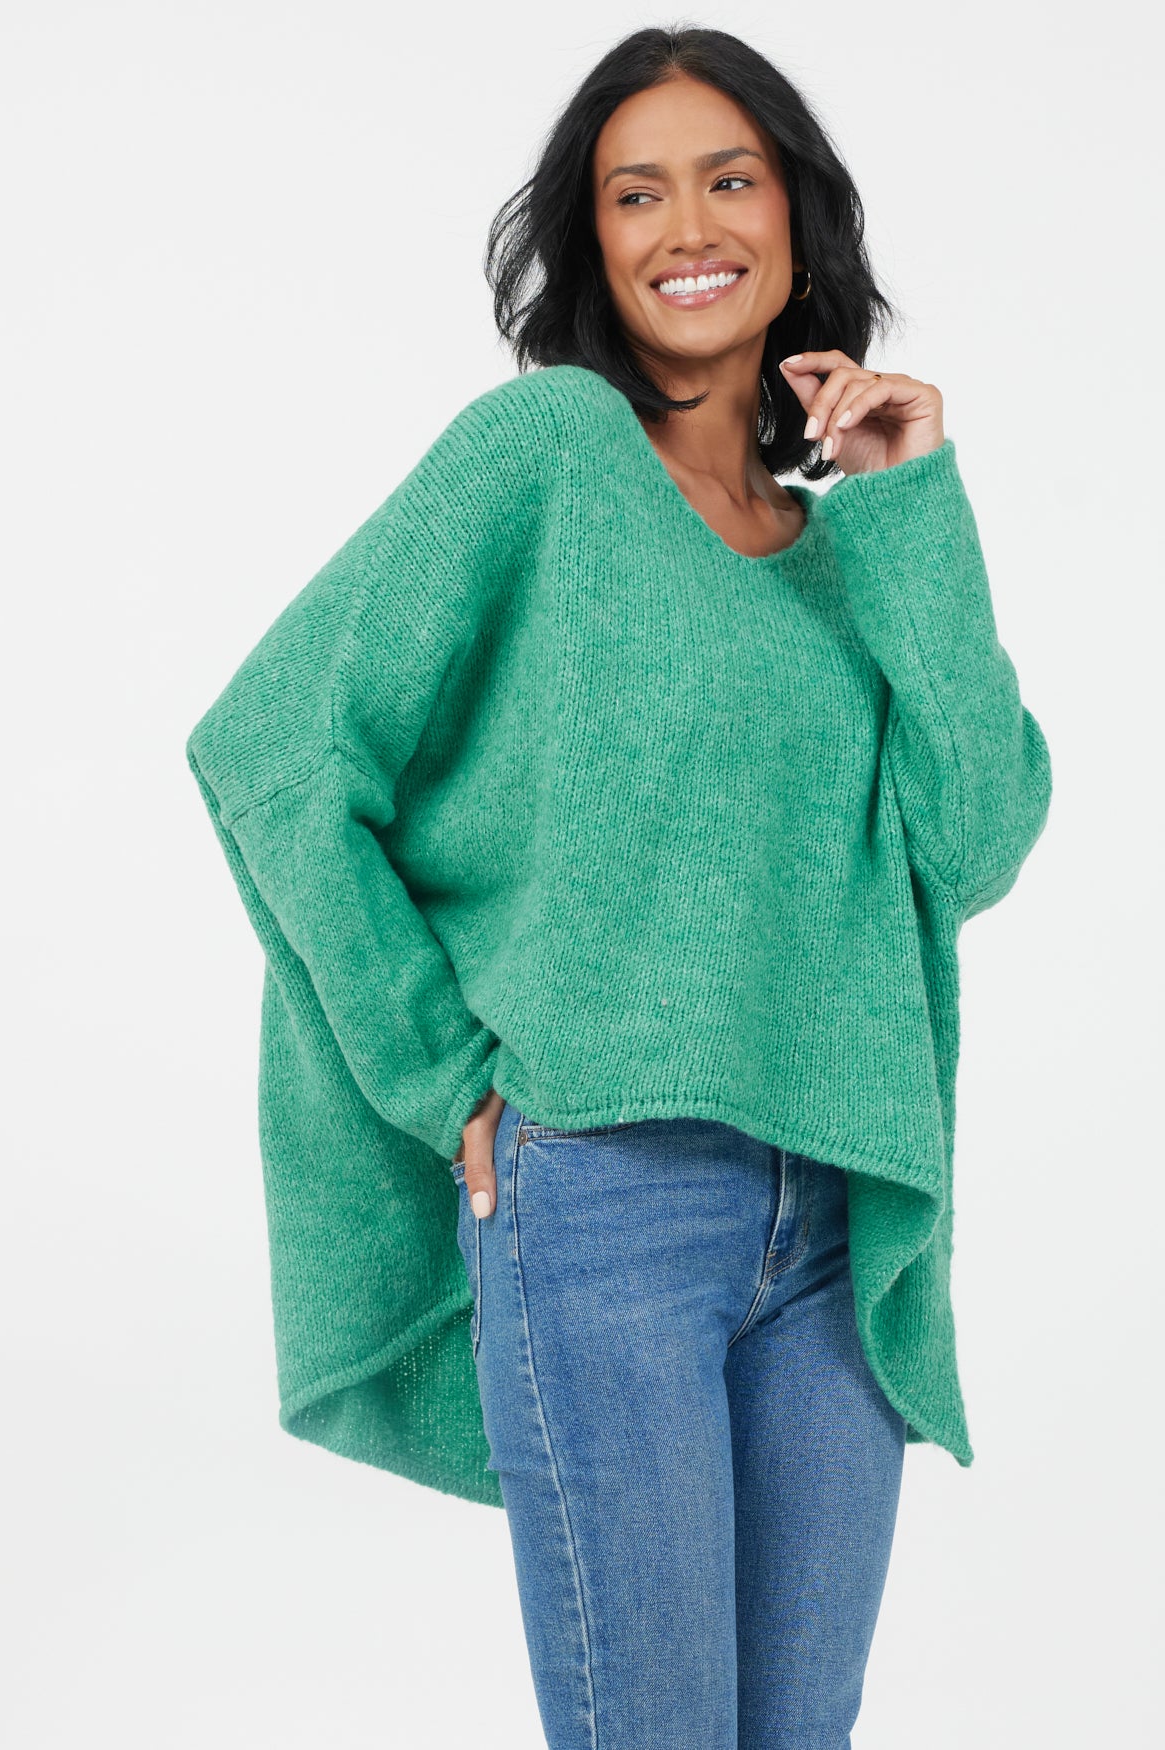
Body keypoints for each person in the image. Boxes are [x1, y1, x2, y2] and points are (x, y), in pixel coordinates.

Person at [186, 25, 1052, 1750]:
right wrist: (441, 1075)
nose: (689, 227)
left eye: (730, 179)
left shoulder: (853, 558)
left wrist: (914, 512)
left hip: (840, 1219)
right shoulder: (548, 452)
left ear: (796, 216)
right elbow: (272, 747)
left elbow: (977, 840)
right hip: (603, 1204)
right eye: (636, 194)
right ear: (593, 241)